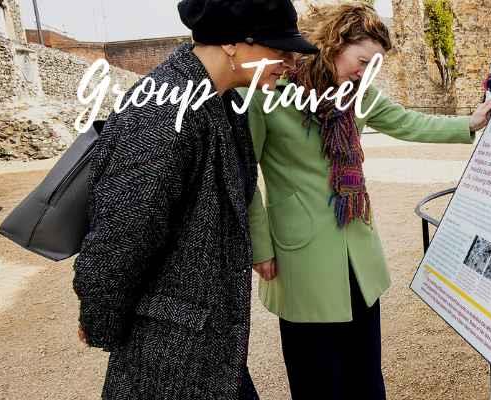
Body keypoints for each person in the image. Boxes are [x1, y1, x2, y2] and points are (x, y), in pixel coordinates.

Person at [242, 3, 491, 399]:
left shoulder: (358, 92)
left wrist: (470, 123)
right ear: (332, 44)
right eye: (361, 61)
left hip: (357, 251)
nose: (364, 73)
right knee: (317, 377)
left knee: (365, 375)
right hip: (301, 254)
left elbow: (408, 121)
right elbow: (244, 176)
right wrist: (260, 246)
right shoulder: (268, 89)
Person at [71, 1, 318, 398]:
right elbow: (119, 236)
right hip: (170, 351)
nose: (290, 61)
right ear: (233, 44)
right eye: (279, 49)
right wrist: (100, 317)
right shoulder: (163, 110)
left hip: (204, 341)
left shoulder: (221, 99)